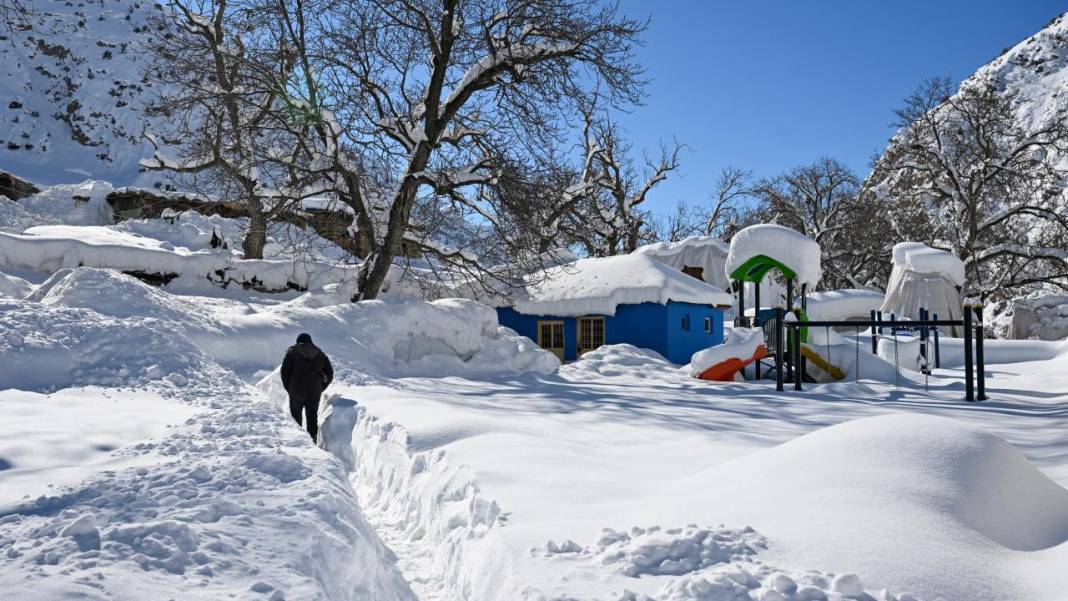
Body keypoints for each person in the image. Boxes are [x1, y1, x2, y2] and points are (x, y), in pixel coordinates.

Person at [280, 333, 333, 441]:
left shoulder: (291, 353)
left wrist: (289, 388)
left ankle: (298, 441)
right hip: (314, 392)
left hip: (296, 391)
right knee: (312, 417)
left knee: (295, 418)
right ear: (310, 341)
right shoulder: (320, 355)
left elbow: (284, 373)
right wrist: (320, 388)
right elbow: (329, 374)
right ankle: (312, 441)